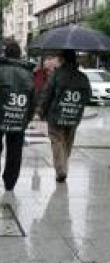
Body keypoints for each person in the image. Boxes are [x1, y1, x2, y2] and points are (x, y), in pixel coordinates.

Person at [0, 40, 36, 191]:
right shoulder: (28, 74)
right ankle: (10, 182)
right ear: (19, 56)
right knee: (15, 150)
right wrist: (28, 117)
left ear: (5, 54)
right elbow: (33, 98)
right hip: (19, 116)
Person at [39, 50, 91, 183]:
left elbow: (47, 95)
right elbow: (88, 96)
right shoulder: (83, 77)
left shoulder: (56, 75)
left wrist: (42, 111)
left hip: (56, 115)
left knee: (57, 141)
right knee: (67, 143)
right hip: (74, 116)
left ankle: (61, 170)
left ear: (63, 60)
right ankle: (63, 168)